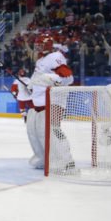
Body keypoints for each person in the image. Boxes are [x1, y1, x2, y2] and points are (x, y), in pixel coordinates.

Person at [26, 36, 74, 170]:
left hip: (53, 100)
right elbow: (38, 78)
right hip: (38, 101)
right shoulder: (41, 60)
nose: (37, 48)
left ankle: (65, 160)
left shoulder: (54, 56)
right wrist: (31, 84)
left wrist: (48, 79)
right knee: (33, 130)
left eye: (40, 45)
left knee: (52, 130)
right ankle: (43, 157)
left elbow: (68, 78)